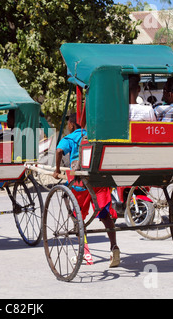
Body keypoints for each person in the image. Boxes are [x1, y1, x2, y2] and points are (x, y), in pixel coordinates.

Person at [53, 113, 121, 267]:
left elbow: (58, 151)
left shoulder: (71, 137)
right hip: (99, 181)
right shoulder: (95, 135)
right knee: (105, 214)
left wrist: (56, 170)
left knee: (78, 217)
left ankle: (86, 253)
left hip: (80, 185)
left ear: (71, 124)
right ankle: (114, 247)